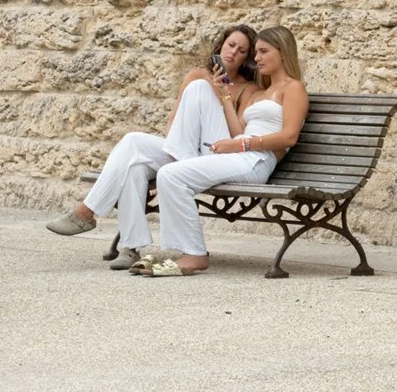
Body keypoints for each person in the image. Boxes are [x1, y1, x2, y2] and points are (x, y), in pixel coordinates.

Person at [48, 25, 262, 269]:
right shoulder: (196, 75)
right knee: (133, 154)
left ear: (247, 58)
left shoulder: (247, 88)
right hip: (184, 151)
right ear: (221, 44)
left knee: (200, 88)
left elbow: (238, 137)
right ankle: (130, 247)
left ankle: (88, 213)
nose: (233, 52)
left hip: (216, 156)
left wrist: (224, 94)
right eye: (230, 45)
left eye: (242, 50)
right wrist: (173, 163)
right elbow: (176, 121)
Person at [132, 25, 307, 277]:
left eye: (262, 51)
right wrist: (225, 95)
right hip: (241, 154)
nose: (256, 58)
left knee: (171, 175)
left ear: (282, 52)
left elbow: (289, 136)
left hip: (257, 160)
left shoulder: (293, 88)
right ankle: (185, 251)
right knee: (169, 173)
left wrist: (242, 145)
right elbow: (238, 132)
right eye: (255, 53)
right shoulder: (263, 92)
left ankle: (195, 255)